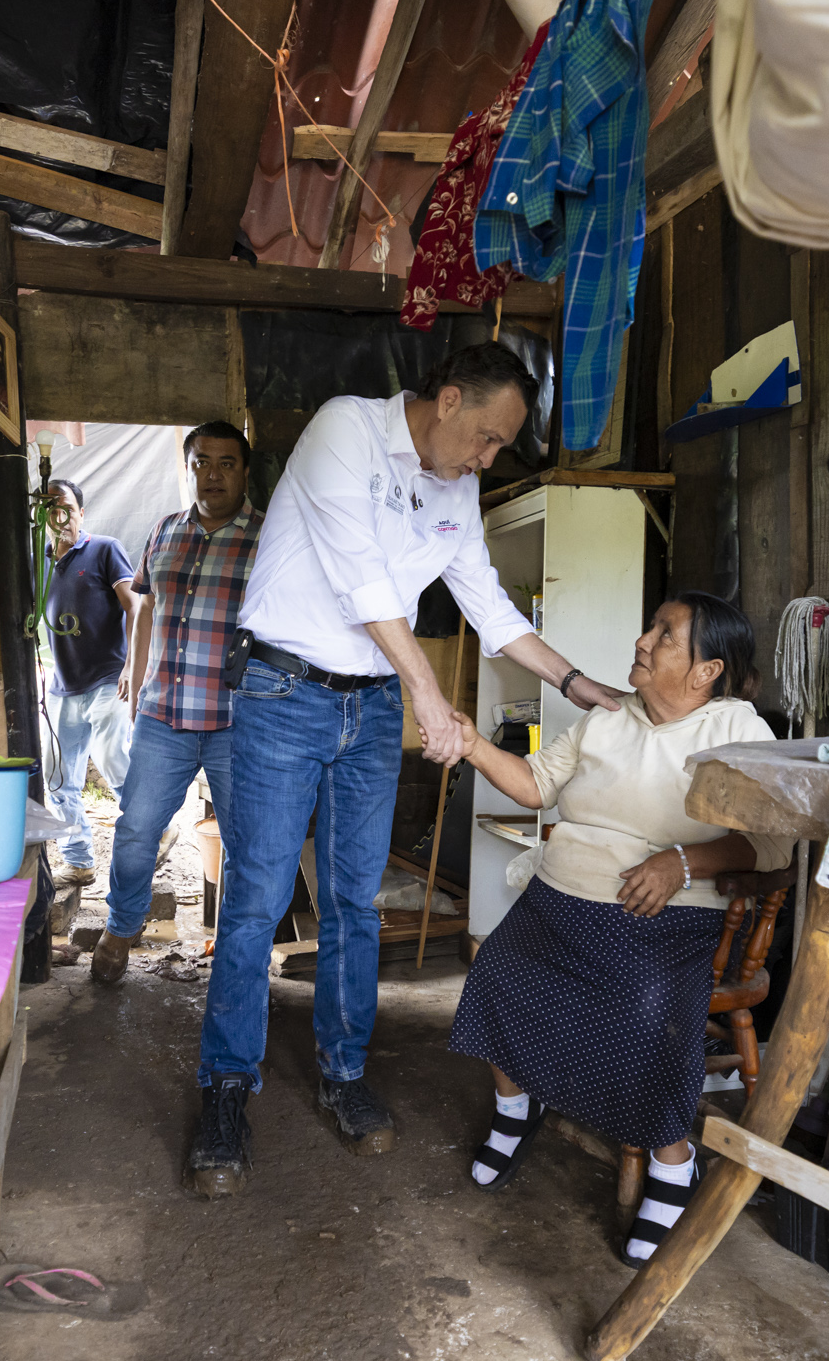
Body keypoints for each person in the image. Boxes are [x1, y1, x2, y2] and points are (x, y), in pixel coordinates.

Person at [188, 342, 627, 1199]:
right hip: (283, 690)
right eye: (489, 438)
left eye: (501, 449)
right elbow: (365, 587)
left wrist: (580, 684)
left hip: (370, 702)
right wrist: (426, 691)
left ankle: (344, 1072)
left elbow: (488, 605)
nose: (489, 459)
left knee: (356, 895)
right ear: (450, 399)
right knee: (258, 895)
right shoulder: (343, 432)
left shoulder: (457, 493)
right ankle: (224, 1089)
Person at [443, 592, 785, 1267]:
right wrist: (473, 743)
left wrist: (683, 860)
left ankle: (672, 1159)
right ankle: (517, 1111)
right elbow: (537, 785)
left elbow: (769, 848)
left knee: (648, 1013)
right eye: (651, 626)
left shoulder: (736, 733)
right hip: (559, 900)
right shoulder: (608, 717)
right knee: (495, 975)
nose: (643, 639)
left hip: (663, 915)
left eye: (664, 635)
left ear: (704, 671)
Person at [91, 423, 262, 985]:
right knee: (137, 827)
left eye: (226, 463)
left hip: (239, 720)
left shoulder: (269, 537)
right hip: (164, 714)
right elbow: (141, 607)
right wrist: (135, 678)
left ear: (244, 470)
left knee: (245, 842)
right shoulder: (164, 530)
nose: (212, 474)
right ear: (188, 467)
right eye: (201, 462)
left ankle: (237, 951)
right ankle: (122, 927)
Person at [41, 478, 141, 888]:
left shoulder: (104, 548)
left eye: (66, 506)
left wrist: (133, 666)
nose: (59, 515)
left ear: (82, 512)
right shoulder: (39, 561)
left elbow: (134, 605)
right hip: (64, 685)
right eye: (49, 507)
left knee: (112, 756)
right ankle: (80, 860)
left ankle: (157, 827)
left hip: (108, 678)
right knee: (57, 781)